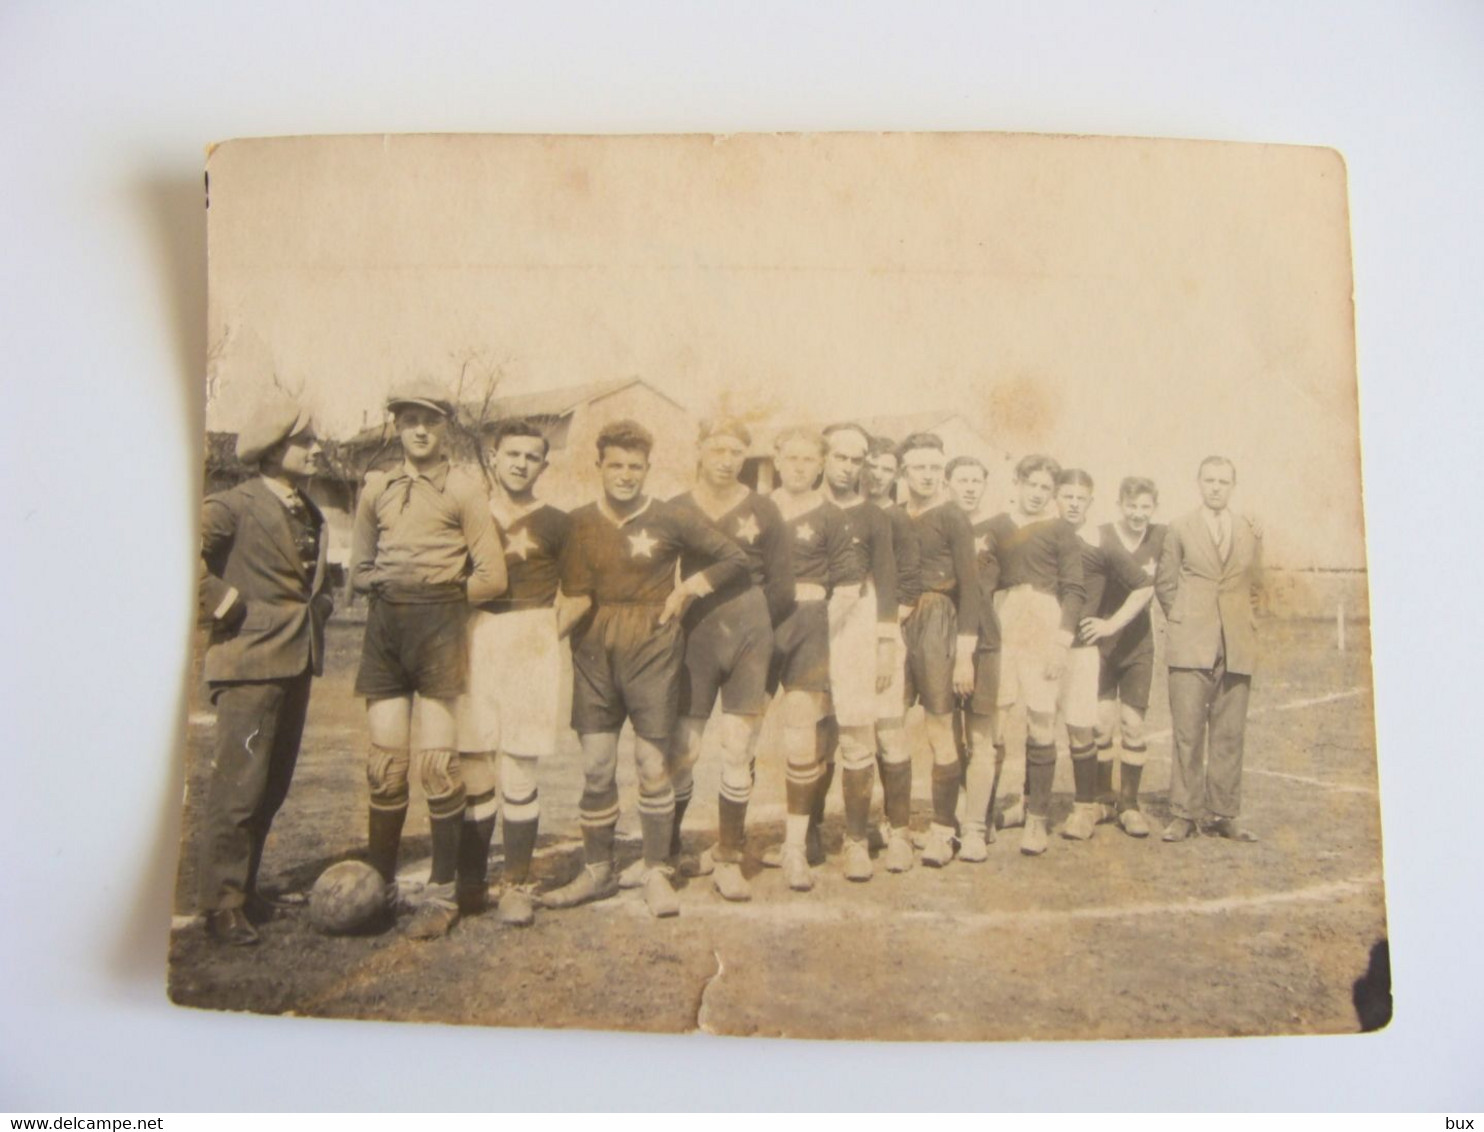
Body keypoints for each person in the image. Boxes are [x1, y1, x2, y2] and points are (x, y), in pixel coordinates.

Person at [542, 419, 749, 917]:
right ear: (600, 466)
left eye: (636, 466)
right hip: (594, 649)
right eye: (616, 465)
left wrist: (686, 589)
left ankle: (656, 870)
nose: (626, 474)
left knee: (653, 765)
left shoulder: (670, 515)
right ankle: (597, 870)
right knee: (595, 767)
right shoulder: (577, 522)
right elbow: (571, 591)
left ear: (648, 469)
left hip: (653, 645)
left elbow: (734, 557)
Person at [350, 378, 508, 940]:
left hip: (441, 627)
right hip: (386, 628)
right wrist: (394, 588)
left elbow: (492, 577)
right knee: (385, 767)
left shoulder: (465, 489)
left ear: (445, 428)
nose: (419, 429)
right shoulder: (377, 487)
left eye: (430, 420)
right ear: (396, 426)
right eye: (408, 419)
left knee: (438, 767)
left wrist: (438, 595)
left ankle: (442, 894)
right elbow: (359, 568)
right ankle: (377, 888)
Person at [196, 393, 332, 945]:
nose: (318, 449)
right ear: (275, 450)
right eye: (306, 441)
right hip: (249, 662)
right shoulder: (232, 504)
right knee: (239, 789)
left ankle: (246, 890)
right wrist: (218, 600)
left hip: (295, 659)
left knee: (271, 787)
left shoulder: (309, 508)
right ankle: (221, 905)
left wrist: (320, 608)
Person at [660, 418, 795, 903]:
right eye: (716, 449)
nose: (725, 459)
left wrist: (762, 646)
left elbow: (782, 589)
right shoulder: (675, 507)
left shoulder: (764, 508)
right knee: (684, 747)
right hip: (695, 635)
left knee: (739, 748)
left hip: (749, 632)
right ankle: (668, 852)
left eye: (736, 452)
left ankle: (729, 856)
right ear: (699, 450)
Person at [452, 418, 575, 927]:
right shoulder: (468, 513)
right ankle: (471, 882)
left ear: (544, 464)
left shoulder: (558, 522)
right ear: (494, 456)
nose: (521, 464)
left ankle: (517, 882)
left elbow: (582, 591)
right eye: (512, 454)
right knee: (476, 762)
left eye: (532, 456)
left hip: (531, 634)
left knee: (520, 764)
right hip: (476, 634)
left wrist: (545, 635)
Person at [761, 426, 853, 891]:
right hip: (758, 627)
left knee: (802, 738)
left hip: (810, 624)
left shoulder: (832, 516)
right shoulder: (757, 509)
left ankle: (796, 847)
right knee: (742, 735)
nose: (798, 467)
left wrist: (820, 631)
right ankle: (730, 848)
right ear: (776, 460)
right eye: (790, 458)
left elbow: (849, 586)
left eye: (807, 460)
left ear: (819, 465)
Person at [1157, 456, 1264, 843]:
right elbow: (1165, 584)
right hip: (1190, 644)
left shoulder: (1250, 530)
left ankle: (1223, 813)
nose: (1216, 487)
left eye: (1223, 481)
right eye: (1209, 480)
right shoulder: (1179, 528)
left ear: (1233, 486)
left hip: (1235, 644)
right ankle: (1184, 813)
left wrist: (1241, 622)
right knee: (1188, 730)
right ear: (1198, 483)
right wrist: (1187, 620)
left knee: (1230, 732)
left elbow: (1256, 584)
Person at [985, 454, 1085, 855]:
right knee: (994, 717)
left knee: (1042, 720)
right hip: (1005, 620)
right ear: (1018, 483)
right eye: (1033, 485)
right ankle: (982, 812)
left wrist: (1062, 642)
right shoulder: (997, 525)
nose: (1039, 493)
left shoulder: (1061, 530)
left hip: (1044, 623)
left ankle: (1037, 819)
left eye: (1046, 488)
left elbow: (1075, 589)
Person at [813, 422, 899, 880]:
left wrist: (885, 647)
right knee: (809, 729)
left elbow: (886, 582)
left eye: (856, 459)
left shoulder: (875, 516)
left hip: (859, 625)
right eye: (840, 457)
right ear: (824, 457)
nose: (847, 468)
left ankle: (855, 839)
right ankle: (806, 833)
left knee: (856, 731)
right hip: (808, 620)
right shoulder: (802, 508)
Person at [891, 434, 980, 866]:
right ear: (903, 471)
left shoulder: (953, 517)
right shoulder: (891, 516)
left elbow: (972, 590)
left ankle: (945, 830)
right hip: (896, 620)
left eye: (933, 468)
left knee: (939, 727)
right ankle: (898, 829)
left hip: (939, 618)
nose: (925, 475)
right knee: (888, 723)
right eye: (918, 467)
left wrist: (964, 654)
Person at [1052, 469, 1154, 842]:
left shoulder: (1100, 541)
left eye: (1081, 497)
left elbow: (1144, 586)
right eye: (1067, 496)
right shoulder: (1042, 534)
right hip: (1042, 647)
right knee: (1041, 726)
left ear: (1090, 502)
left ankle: (1107, 806)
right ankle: (1034, 805)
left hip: (1083, 648)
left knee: (1093, 726)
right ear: (1055, 498)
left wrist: (1110, 625)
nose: (1074, 503)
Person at [1084, 476, 1166, 836]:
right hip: (1099, 644)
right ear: (1120, 505)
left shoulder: (1163, 536)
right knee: (1101, 722)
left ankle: (1129, 804)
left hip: (1137, 645)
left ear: (1154, 508)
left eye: (1145, 507)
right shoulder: (1101, 534)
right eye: (1131, 506)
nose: (1138, 514)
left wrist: (1253, 525)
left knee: (1133, 724)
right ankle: (1103, 799)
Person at [860, 435, 921, 871]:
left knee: (889, 729)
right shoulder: (840, 511)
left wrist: (882, 632)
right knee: (835, 734)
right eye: (871, 466)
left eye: (886, 469)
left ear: (895, 475)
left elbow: (910, 585)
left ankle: (898, 829)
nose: (876, 475)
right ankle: (817, 835)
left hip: (882, 635)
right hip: (837, 636)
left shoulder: (897, 520)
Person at [945, 455, 1001, 862]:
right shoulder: (938, 524)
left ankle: (977, 826)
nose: (969, 487)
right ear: (948, 483)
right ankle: (949, 821)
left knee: (981, 736)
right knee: (946, 736)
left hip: (985, 642)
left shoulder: (999, 530)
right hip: (939, 639)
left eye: (975, 480)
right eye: (961, 480)